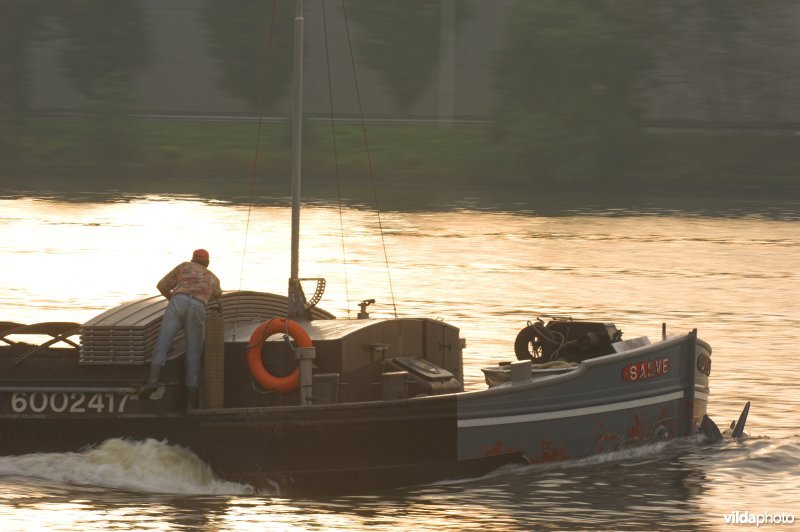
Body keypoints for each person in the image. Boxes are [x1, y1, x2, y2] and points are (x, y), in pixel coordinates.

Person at [140, 249, 222, 410]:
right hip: (198, 306)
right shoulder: (213, 278)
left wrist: (173, 299)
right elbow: (217, 295)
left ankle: (152, 382)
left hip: (178, 301)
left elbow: (161, 285)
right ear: (207, 263)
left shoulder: (184, 266)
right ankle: (190, 404)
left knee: (162, 343)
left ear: (193, 259)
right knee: (193, 355)